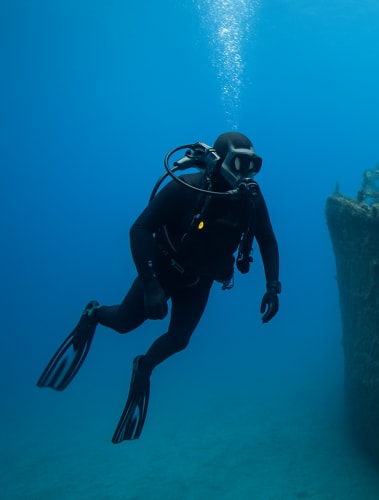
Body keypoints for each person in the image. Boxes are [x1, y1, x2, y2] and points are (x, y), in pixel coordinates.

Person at [36, 131, 281, 444]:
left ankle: (144, 367)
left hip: (199, 280)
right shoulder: (185, 189)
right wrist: (151, 286)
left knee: (179, 339)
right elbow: (139, 229)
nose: (246, 173)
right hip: (163, 270)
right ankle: (94, 314)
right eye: (240, 163)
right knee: (125, 324)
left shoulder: (251, 199)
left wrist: (272, 286)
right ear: (219, 161)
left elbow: (267, 239)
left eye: (253, 165)